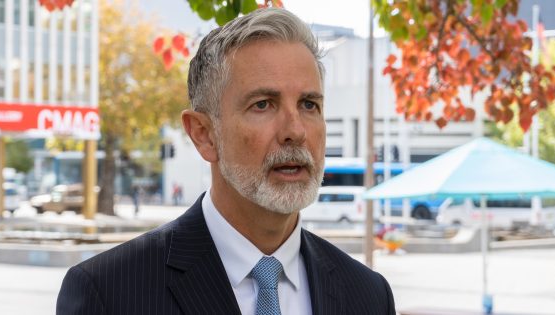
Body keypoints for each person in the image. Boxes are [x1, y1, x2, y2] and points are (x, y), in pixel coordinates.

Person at [57, 8, 395, 315]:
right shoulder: (109, 293)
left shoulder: (368, 295)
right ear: (203, 134)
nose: (294, 130)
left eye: (309, 104)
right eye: (263, 104)